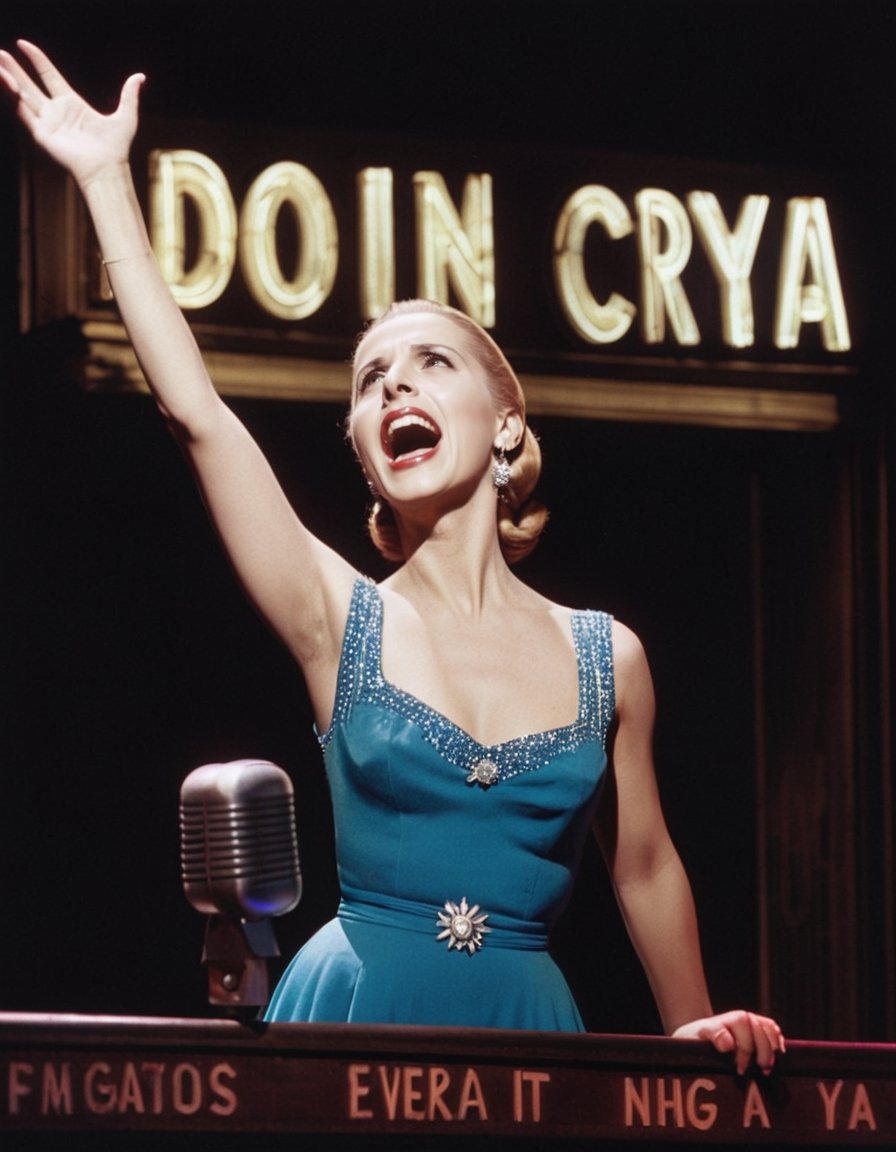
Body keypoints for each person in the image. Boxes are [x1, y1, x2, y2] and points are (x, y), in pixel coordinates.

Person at [1, 41, 785, 1073]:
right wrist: (105, 182)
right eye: (370, 382)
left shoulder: (610, 657)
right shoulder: (339, 615)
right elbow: (197, 415)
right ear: (368, 457)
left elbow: (641, 866)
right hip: (355, 1014)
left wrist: (693, 1035)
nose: (392, 390)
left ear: (505, 425)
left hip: (527, 1030)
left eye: (428, 364)